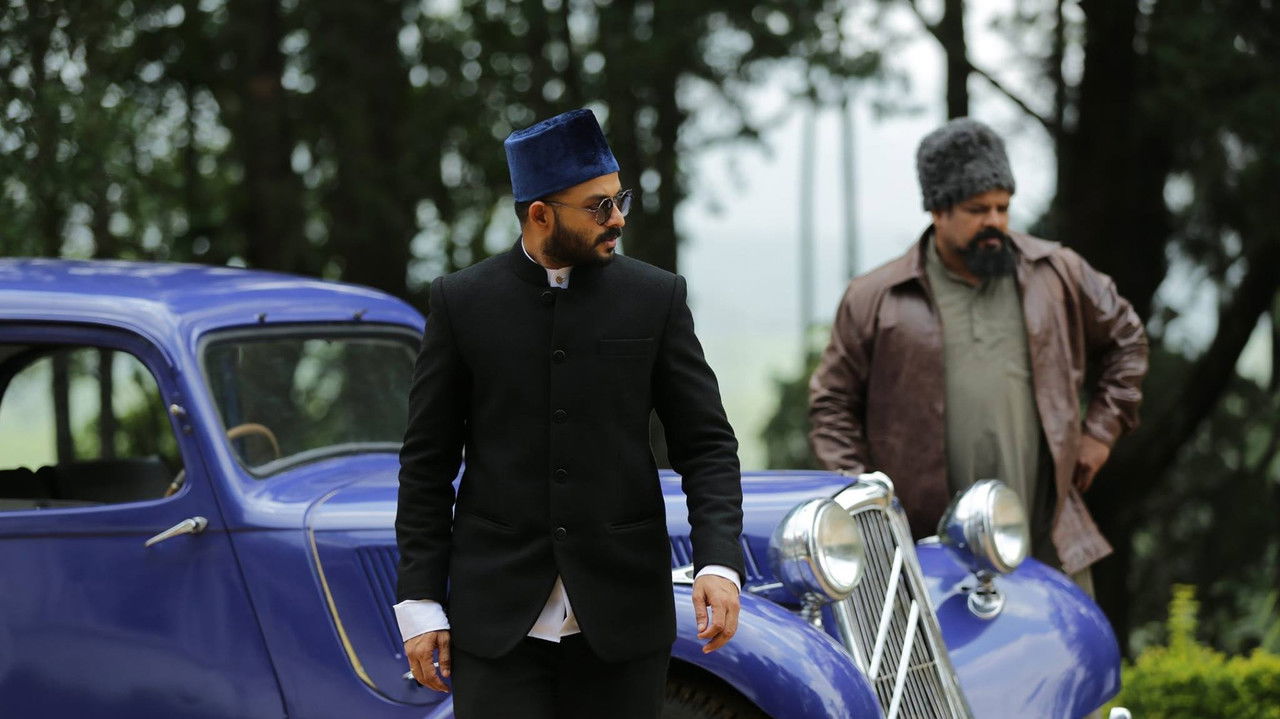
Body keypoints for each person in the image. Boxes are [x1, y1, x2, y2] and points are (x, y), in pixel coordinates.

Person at [393, 108, 744, 719]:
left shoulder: (656, 297)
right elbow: (427, 463)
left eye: (619, 199)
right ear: (540, 214)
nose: (618, 218)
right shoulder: (461, 302)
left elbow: (707, 444)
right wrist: (420, 603)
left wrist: (718, 562)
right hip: (496, 622)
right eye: (599, 207)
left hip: (623, 619)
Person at [809, 117, 1148, 588]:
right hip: (925, 556)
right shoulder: (877, 297)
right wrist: (868, 504)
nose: (995, 222)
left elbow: (1127, 340)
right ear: (937, 210)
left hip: (1048, 541)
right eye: (977, 209)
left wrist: (1101, 433)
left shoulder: (1057, 274)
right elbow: (831, 406)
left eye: (1002, 207)